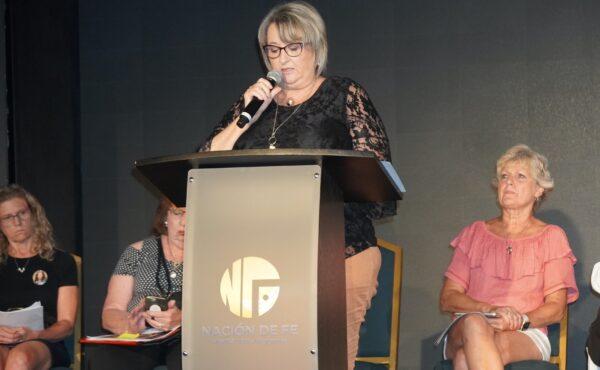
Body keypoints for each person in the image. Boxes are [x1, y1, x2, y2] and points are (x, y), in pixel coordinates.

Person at [200, 2, 395, 368]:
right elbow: (202, 167)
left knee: (329, 360)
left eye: (294, 47)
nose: (282, 59)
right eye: (273, 49)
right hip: (265, 262)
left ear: (316, 47)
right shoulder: (255, 103)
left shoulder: (343, 93)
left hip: (340, 252)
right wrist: (247, 114)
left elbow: (375, 171)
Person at [439, 144, 579, 370]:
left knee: (467, 357)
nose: (509, 182)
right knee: (475, 324)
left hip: (525, 331)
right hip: (467, 326)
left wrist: (519, 319)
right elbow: (448, 298)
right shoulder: (474, 233)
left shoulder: (552, 237)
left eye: (520, 176)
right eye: (504, 176)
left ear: (539, 190)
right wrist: (488, 310)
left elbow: (556, 308)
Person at [85, 199, 186, 370]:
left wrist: (184, 319)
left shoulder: (214, 255)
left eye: (192, 213)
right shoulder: (136, 252)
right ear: (165, 217)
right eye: (178, 213)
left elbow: (223, 311)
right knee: (105, 359)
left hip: (188, 338)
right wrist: (127, 324)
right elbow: (111, 311)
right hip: (142, 336)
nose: (184, 222)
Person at [0, 184, 78, 369]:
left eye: (22, 213)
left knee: (20, 358)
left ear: (34, 214)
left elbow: (66, 324)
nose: (17, 222)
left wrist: (34, 335)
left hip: (44, 341)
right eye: (8, 217)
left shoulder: (61, 261)